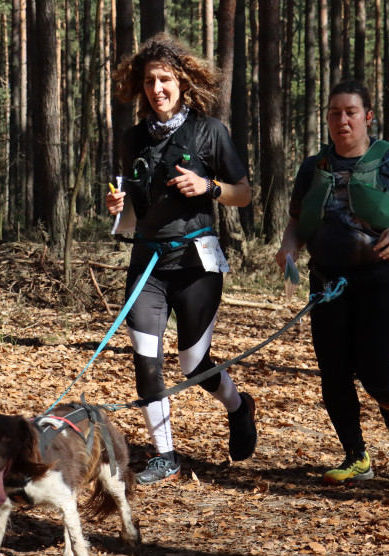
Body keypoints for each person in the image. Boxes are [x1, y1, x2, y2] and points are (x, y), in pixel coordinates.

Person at [105, 33, 256, 484]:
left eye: (165, 79)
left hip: (197, 263)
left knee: (192, 363)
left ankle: (238, 405)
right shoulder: (132, 139)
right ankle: (165, 454)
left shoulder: (211, 131)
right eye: (150, 81)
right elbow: (136, 209)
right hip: (147, 264)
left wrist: (209, 188)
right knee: (145, 359)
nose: (157, 89)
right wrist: (118, 209)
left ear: (183, 82)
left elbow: (244, 194)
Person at [275, 79, 389, 485]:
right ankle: (356, 457)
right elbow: (297, 221)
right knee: (333, 371)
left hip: (383, 278)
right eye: (334, 113)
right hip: (328, 281)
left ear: (367, 117)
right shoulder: (314, 168)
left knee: (374, 368)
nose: (342, 120)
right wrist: (289, 248)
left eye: (350, 112)